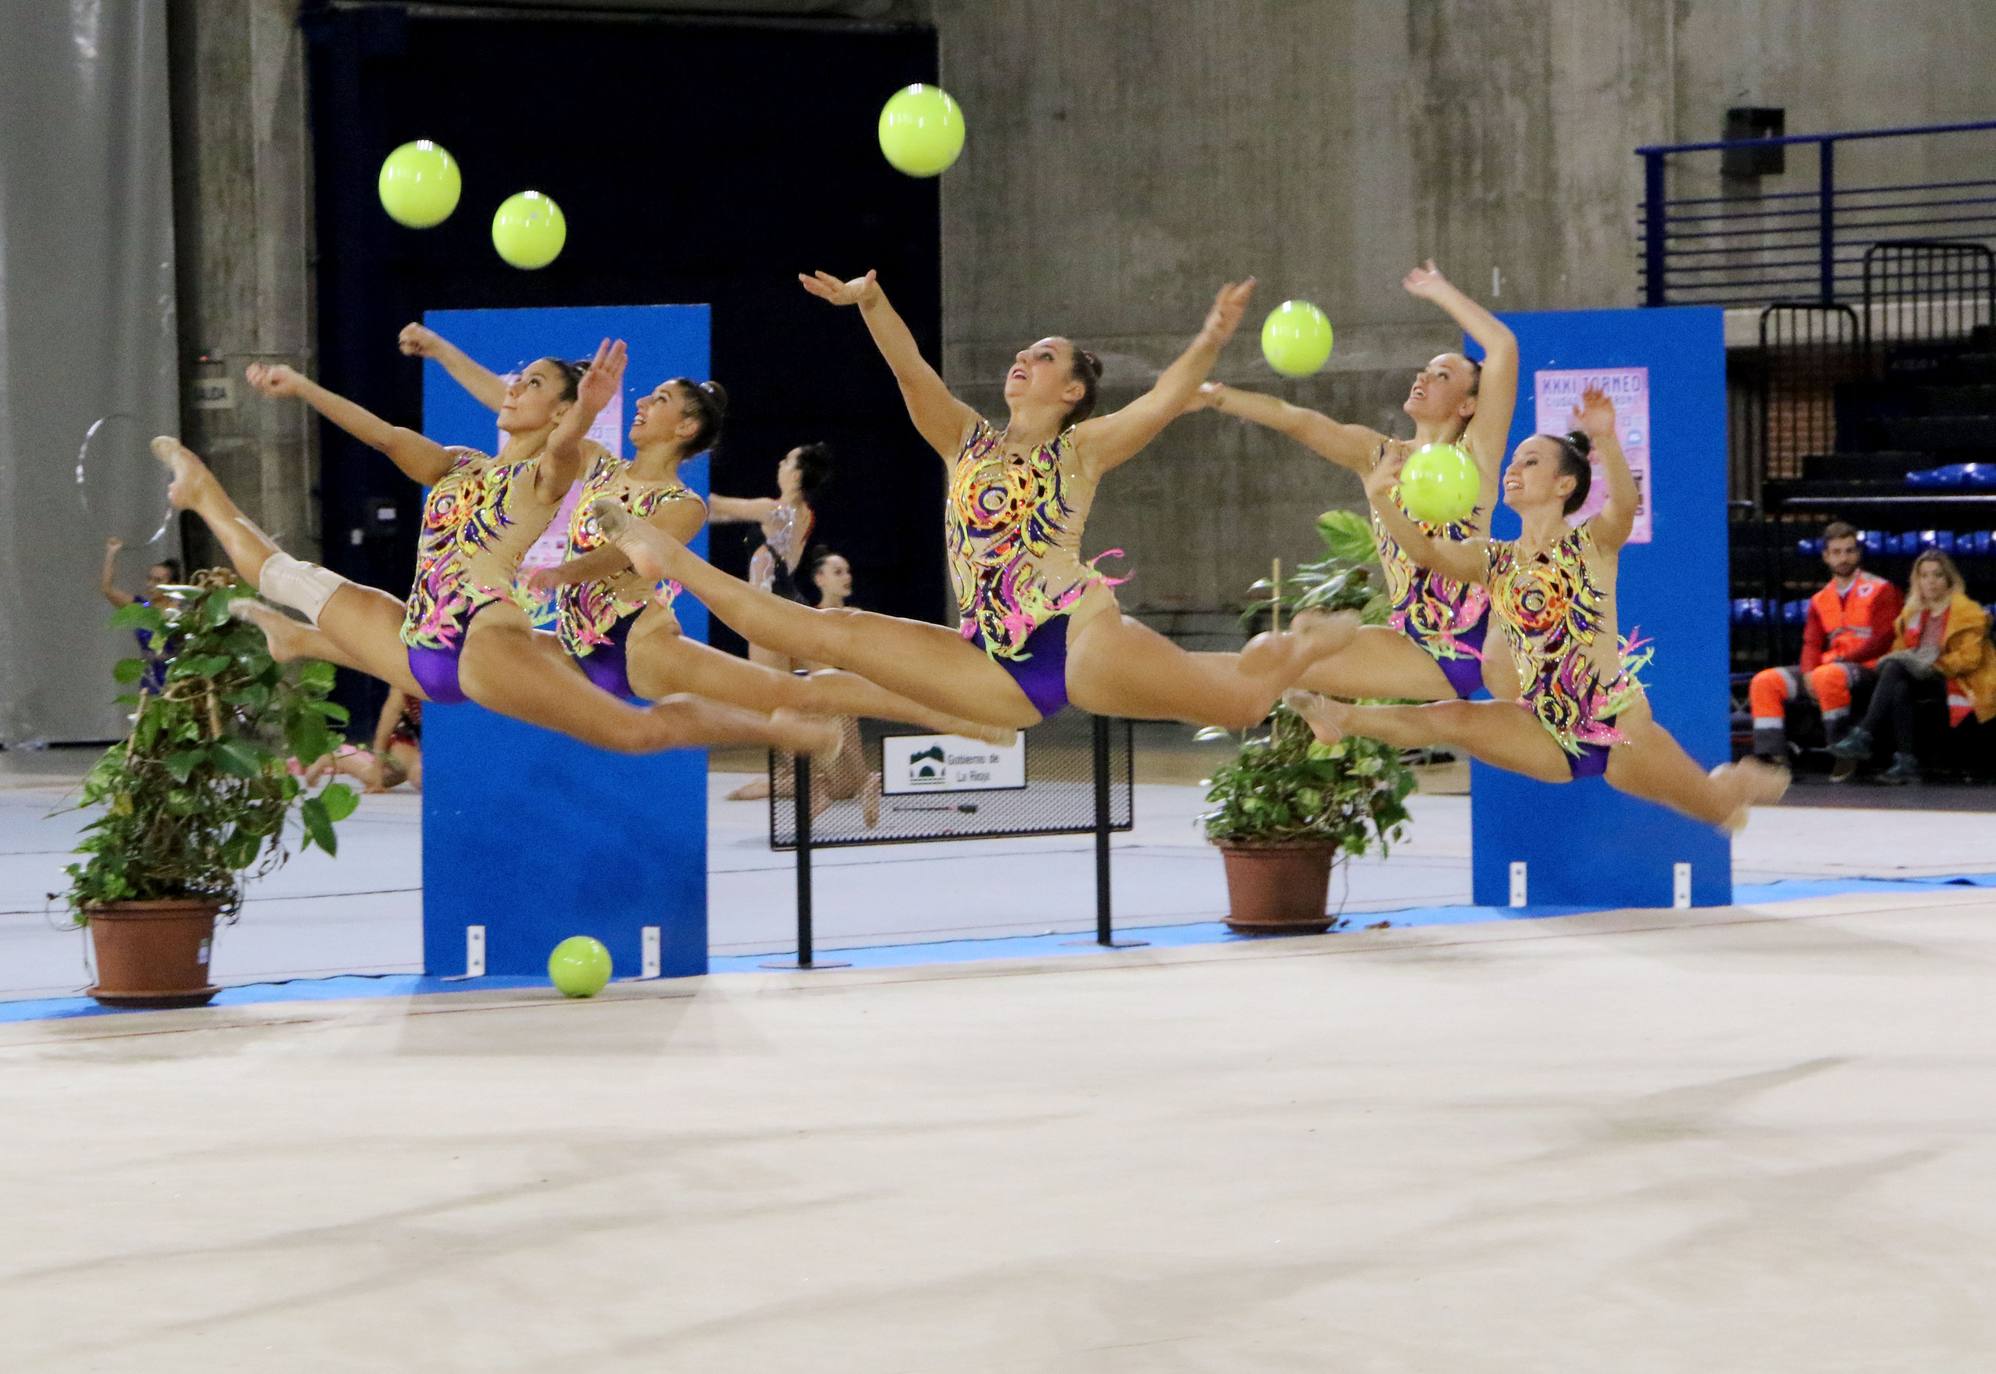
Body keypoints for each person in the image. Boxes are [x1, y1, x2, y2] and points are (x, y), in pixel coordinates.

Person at [590, 270, 1359, 734]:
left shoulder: (1081, 448)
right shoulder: (967, 440)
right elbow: (912, 373)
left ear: (1073, 393)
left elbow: (1162, 400)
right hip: (989, 660)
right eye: (1023, 355)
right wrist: (871, 301)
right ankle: (667, 558)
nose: (1024, 362)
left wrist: (1212, 335)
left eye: (1044, 359)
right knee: (828, 632)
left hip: (1074, 629)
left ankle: (1303, 652)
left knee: (1236, 707)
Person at [152, 335, 839, 759]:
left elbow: (566, 448)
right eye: (518, 380)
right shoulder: (459, 464)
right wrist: (302, 387)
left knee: (634, 735)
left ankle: (781, 731)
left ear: (562, 412)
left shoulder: (547, 473)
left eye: (532, 384)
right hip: (419, 644)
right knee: (282, 575)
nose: (514, 389)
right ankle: (205, 494)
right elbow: (388, 436)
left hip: (485, 639)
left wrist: (589, 407)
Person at [1284, 386, 1789, 832]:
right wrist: (1385, 501)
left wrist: (1607, 440)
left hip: (1616, 727)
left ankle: (1731, 785)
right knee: (1451, 718)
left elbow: (1624, 507)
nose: (1512, 469)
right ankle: (1334, 715)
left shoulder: (1591, 544)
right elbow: (1426, 554)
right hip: (1542, 728)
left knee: (1719, 813)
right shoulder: (1493, 557)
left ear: (1564, 485)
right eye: (1513, 461)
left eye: (1529, 462)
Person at [513, 378, 1006, 742]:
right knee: (483, 644)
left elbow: (620, 559)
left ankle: (954, 715)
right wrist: (439, 350)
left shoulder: (682, 504)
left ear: (685, 426)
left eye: (658, 400)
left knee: (796, 693)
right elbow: (520, 411)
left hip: (636, 644)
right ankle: (798, 737)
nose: (641, 403)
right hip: (571, 642)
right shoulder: (598, 462)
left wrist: (562, 572)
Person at [1186, 260, 1519, 702]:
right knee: (1278, 656)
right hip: (1407, 639)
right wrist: (1218, 396)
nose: (1422, 377)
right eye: (1425, 369)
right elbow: (1298, 421)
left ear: (1467, 405)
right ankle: (1306, 703)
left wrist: (1440, 291)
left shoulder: (1476, 454)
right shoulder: (1377, 454)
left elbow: (1503, 346)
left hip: (1469, 647)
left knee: (1282, 663)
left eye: (1443, 375)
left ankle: (1170, 677)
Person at [726, 546, 884, 825]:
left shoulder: (854, 619)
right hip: (820, 738)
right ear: (819, 578)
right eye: (838, 571)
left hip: (841, 741)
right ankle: (833, 783)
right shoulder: (806, 623)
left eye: (847, 571)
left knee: (822, 705)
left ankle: (835, 784)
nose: (846, 577)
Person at [1826, 550, 1996, 783]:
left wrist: (1934, 665)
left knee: (1895, 668)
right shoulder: (1912, 613)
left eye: (1937, 575)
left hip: (1955, 678)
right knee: (1897, 681)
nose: (1931, 581)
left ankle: (1866, 734)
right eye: (1924, 576)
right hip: (1919, 674)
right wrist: (1914, 663)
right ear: (1917, 581)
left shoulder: (1968, 612)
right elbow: (1900, 650)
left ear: (1948, 579)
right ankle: (1904, 759)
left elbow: (1970, 658)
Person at [1747, 520, 1901, 765]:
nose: (1844, 558)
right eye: (1837, 552)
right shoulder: (1821, 598)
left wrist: (1841, 661)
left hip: (1870, 668)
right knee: (1765, 681)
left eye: (1850, 551)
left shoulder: (1880, 589)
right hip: (1833, 666)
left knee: (1827, 676)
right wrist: (1807, 673)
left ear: (1859, 554)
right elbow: (1811, 642)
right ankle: (1773, 756)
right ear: (1826, 557)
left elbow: (1884, 639)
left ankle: (1842, 748)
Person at [99, 538, 182, 690]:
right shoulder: (142, 607)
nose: (151, 584)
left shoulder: (180, 612)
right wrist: (111, 553)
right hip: (150, 680)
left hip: (175, 680)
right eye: (149, 579)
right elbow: (107, 589)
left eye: (157, 580)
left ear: (172, 585)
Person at [303, 689, 423, 793]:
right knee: (416, 772)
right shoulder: (404, 682)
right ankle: (331, 759)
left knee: (387, 776)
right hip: (407, 740)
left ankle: (337, 759)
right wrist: (377, 768)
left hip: (434, 744)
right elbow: (384, 730)